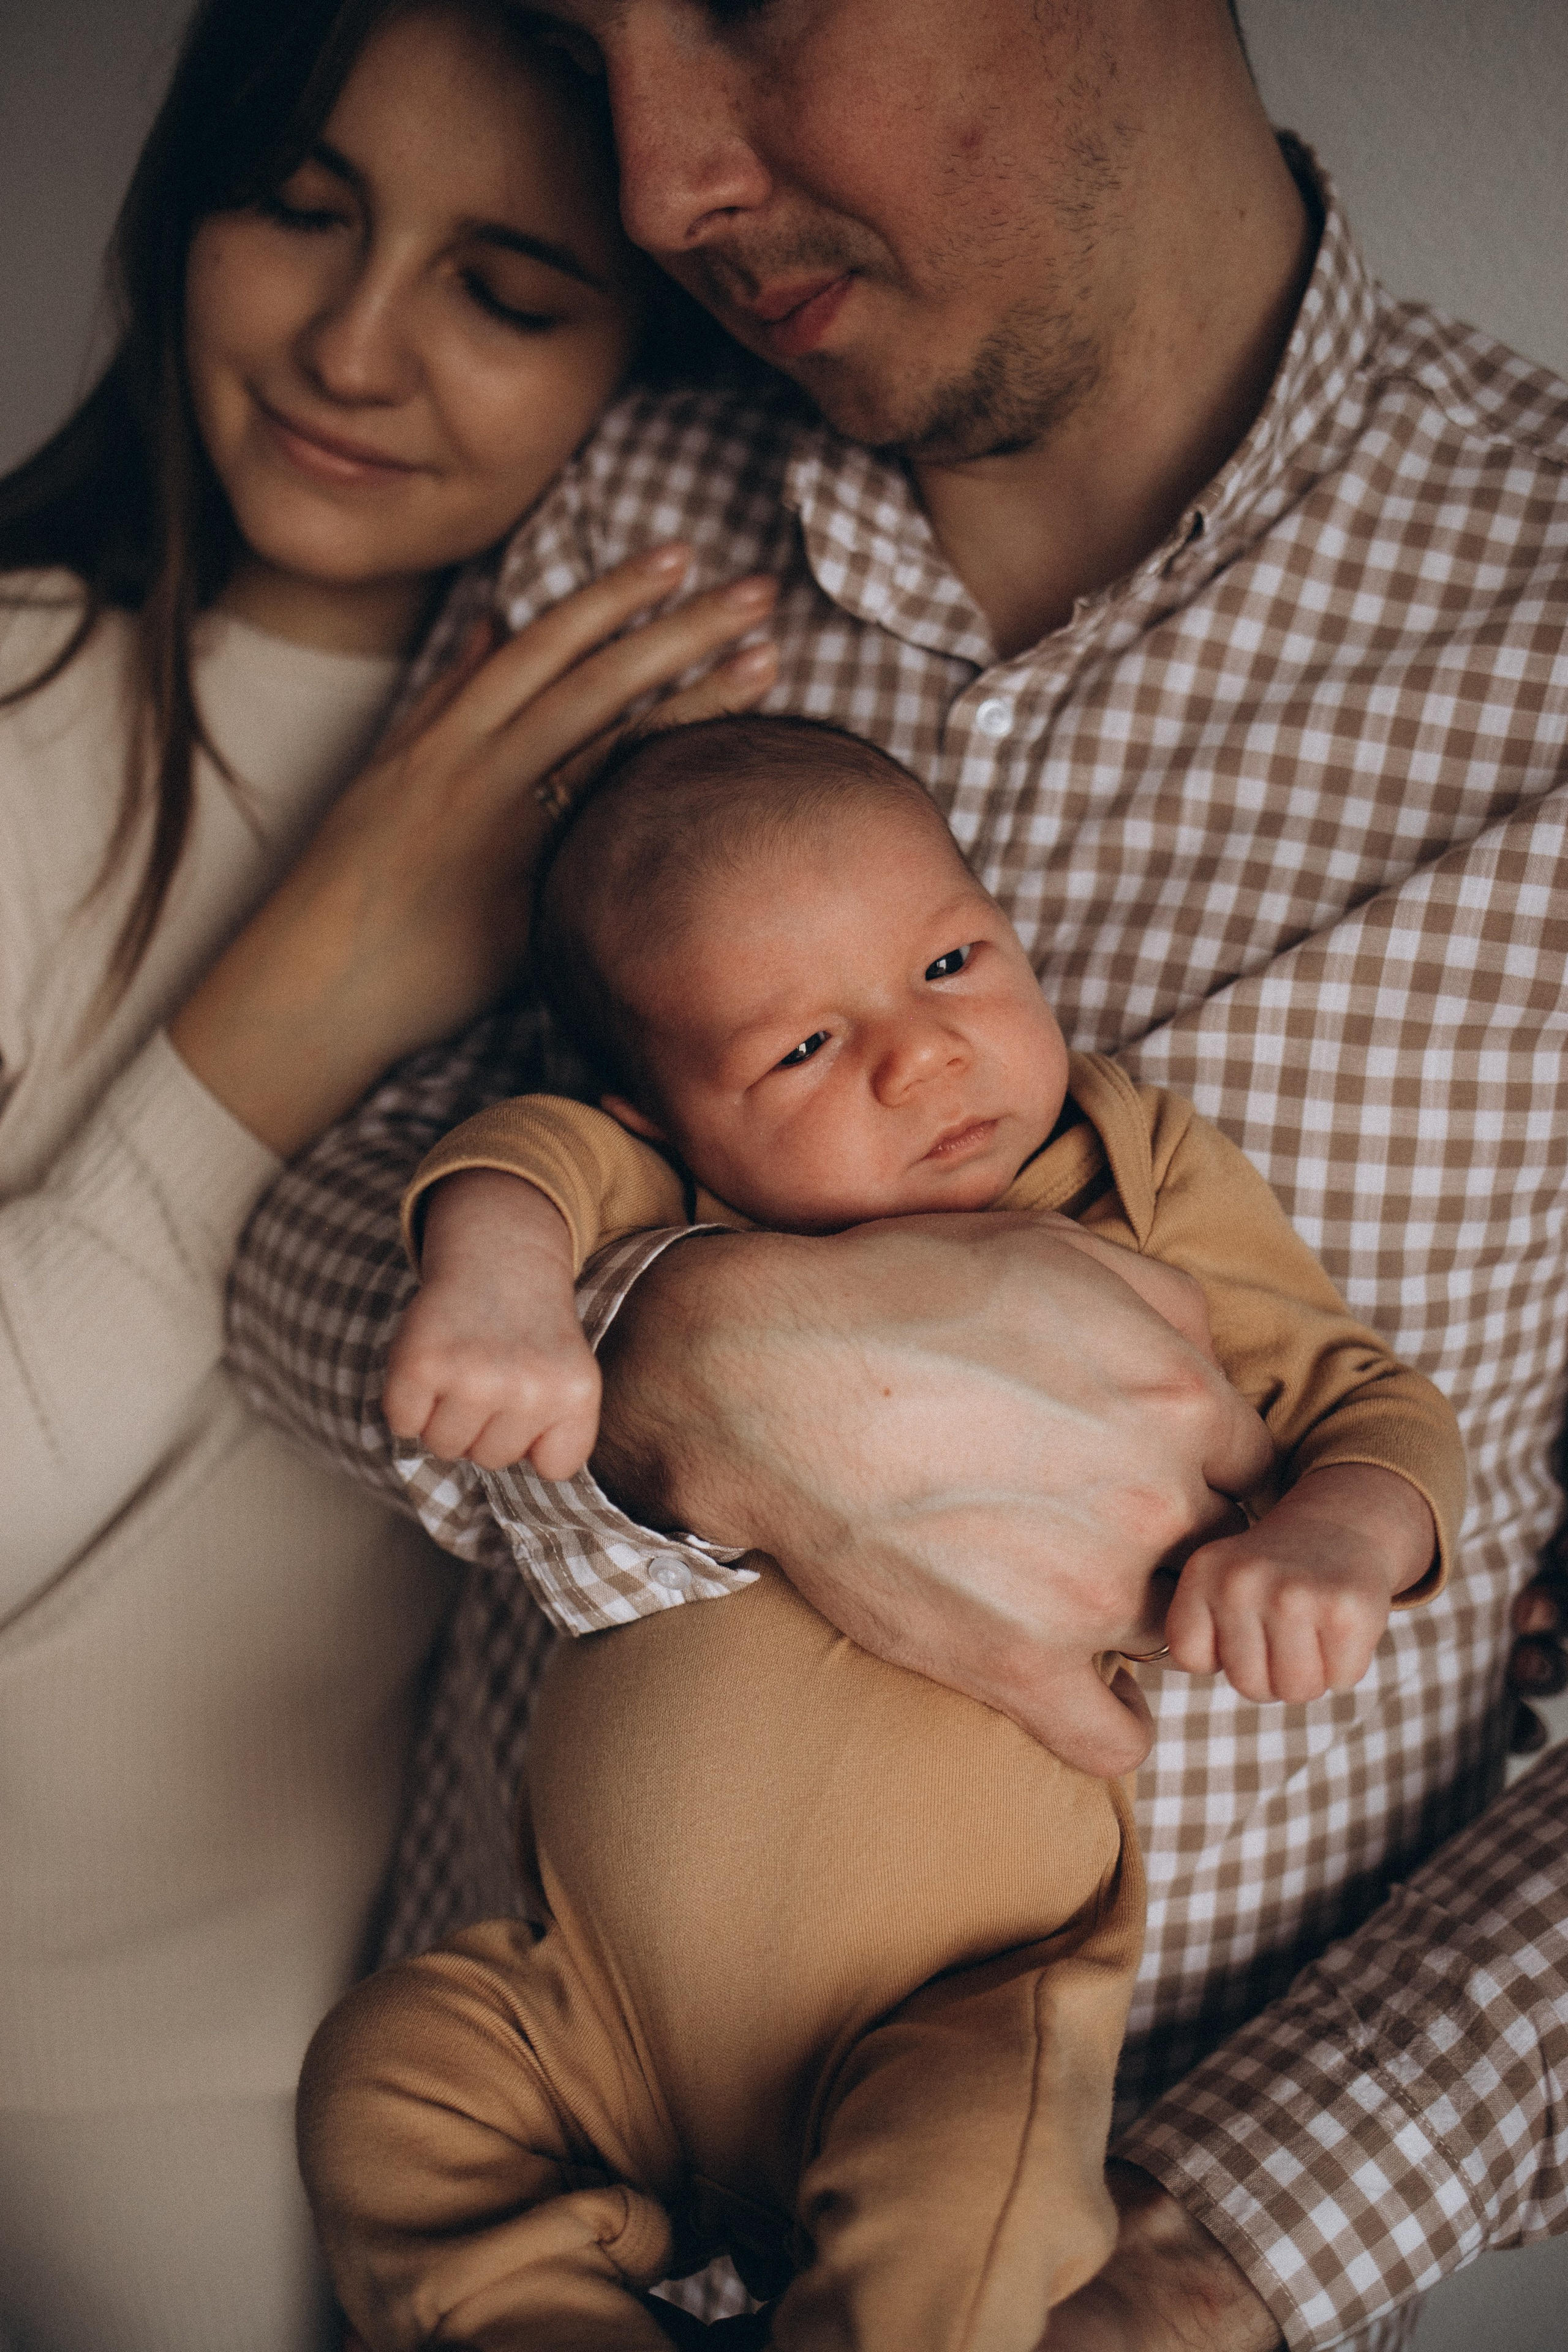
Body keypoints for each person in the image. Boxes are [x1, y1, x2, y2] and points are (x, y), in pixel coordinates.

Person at [227, 1, 1568, 2343]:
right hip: (555, 2008)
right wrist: (655, 1350)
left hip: (1076, 2174)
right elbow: (310, 1212)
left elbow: (1363, 1414)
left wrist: (1217, 2257)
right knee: (393, 2110)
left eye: (748, 1)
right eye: (588, 29)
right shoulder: (618, 510)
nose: (650, 186)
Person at [296, 714, 1459, 2351]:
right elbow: (521, 1161)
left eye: (952, 959)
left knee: (979, 2236)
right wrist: (498, 1292)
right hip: (595, 2013)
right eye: (801, 1048)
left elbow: (1367, 1400)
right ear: (665, 1112)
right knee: (386, 2078)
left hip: (960, 2007)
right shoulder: (673, 1201)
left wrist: (1337, 1536)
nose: (925, 1058)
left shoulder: (1129, 1175)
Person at [0, 0, 775, 2343]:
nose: (352, 343)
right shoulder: (20, 700)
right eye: (299, 208)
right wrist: (309, 987)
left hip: (274, 2084)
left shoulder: (680, 837)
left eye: (505, 289)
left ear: (648, 350)